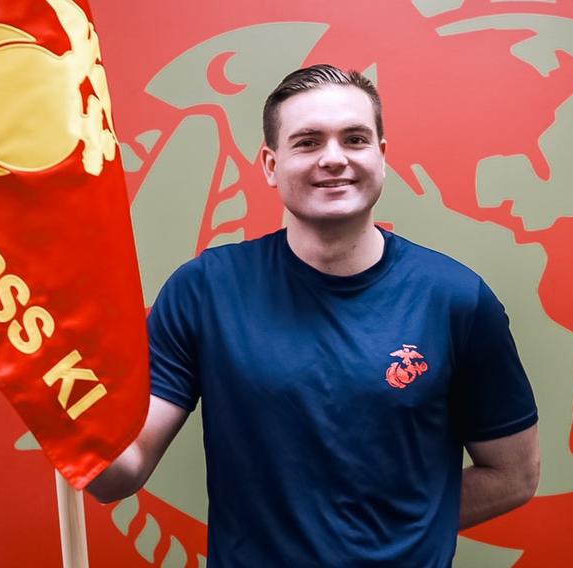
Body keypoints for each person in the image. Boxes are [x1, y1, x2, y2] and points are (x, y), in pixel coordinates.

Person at [88, 64, 540, 567]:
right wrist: (54, 397)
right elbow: (121, 474)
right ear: (270, 164)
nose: (334, 158)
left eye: (354, 139)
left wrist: (390, 533)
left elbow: (513, 475)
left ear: (381, 157)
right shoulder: (205, 291)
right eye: (307, 142)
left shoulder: (457, 299)